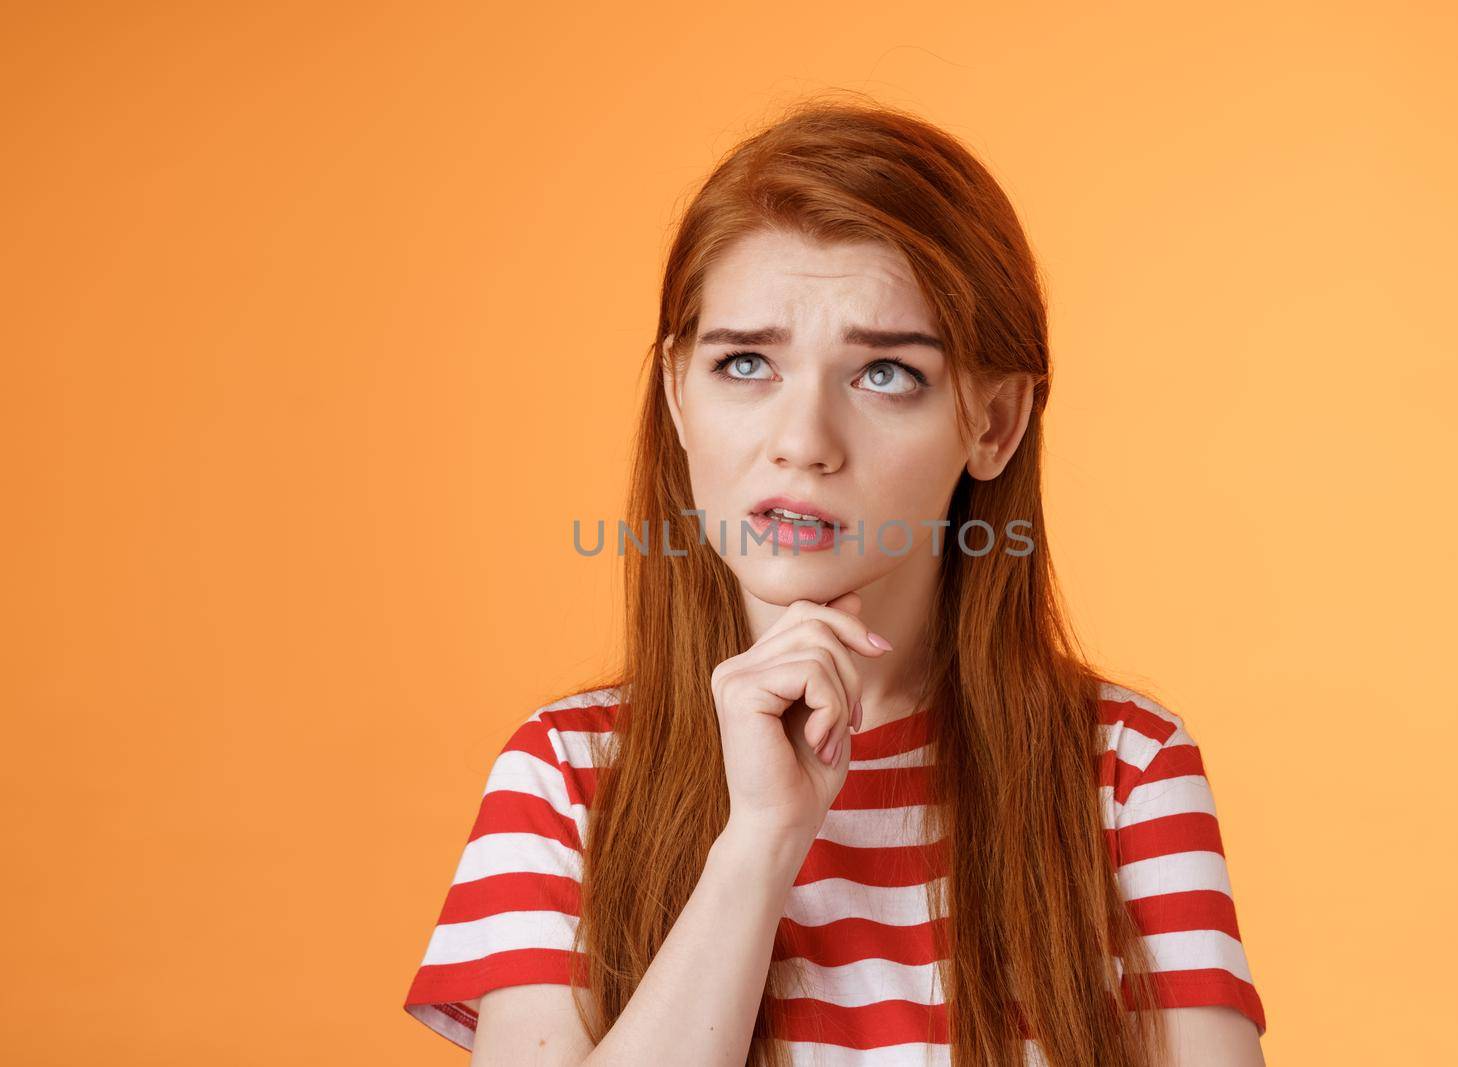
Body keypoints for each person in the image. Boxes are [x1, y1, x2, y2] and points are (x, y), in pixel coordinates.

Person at [402, 96, 1267, 1066]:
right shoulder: (563, 777)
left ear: (993, 421)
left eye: (884, 373)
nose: (803, 442)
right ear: (678, 395)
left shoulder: (1124, 773)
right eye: (743, 362)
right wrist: (760, 840)